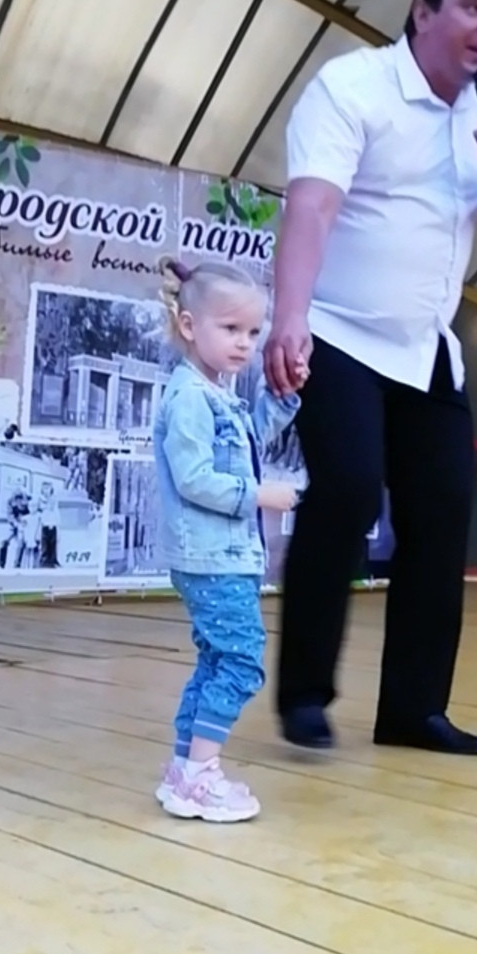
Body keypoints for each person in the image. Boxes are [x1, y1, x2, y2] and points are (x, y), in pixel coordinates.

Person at [265, 0, 477, 756]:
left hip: (427, 350)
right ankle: (305, 696)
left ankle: (414, 712)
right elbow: (312, 207)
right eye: (473, 7)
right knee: (349, 489)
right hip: (340, 332)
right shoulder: (352, 88)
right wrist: (289, 318)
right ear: (423, 12)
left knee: (443, 514)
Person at [153, 258, 306, 822]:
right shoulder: (190, 398)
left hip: (222, 554)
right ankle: (201, 772)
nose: (245, 343)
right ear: (189, 326)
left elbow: (249, 439)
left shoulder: (217, 393)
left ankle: (184, 770)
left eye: (253, 331)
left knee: (217, 660)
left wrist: (284, 399)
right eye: (231, 329)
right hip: (212, 556)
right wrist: (261, 495)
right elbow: (194, 479)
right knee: (242, 662)